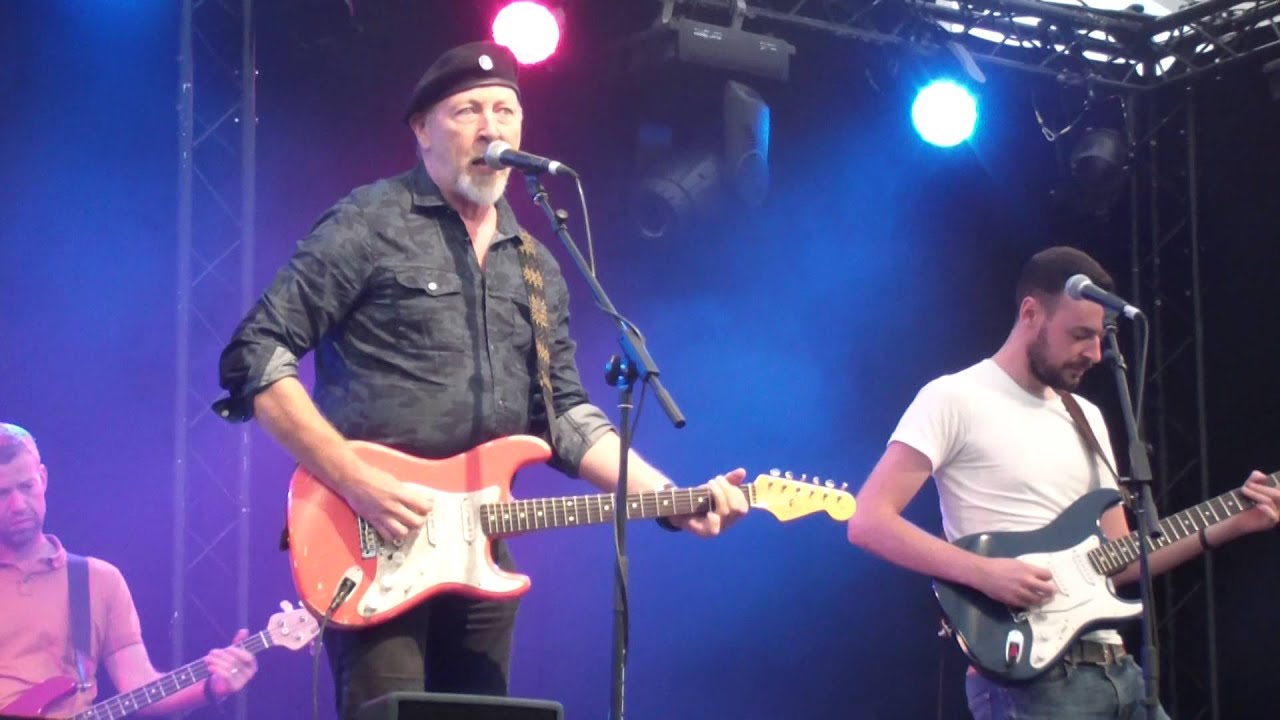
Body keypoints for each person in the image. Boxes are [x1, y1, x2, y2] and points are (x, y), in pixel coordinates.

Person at [212, 40, 749, 718]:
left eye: (505, 110)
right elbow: (256, 353)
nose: (491, 127)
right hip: (368, 536)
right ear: (422, 129)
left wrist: (670, 498)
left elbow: (563, 416)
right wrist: (352, 476)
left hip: (479, 546)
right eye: (467, 110)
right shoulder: (369, 223)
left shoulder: (536, 265)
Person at [845, 247, 1280, 719]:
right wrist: (984, 573)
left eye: (1099, 338)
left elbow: (1123, 558)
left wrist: (1233, 522)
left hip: (1120, 671)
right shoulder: (953, 398)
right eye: (1080, 335)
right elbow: (868, 521)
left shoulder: (1086, 416)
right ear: (1031, 313)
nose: (1094, 354)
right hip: (1032, 682)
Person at [0, 423, 257, 716]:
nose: (18, 504)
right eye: (2, 493)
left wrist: (211, 687)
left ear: (43, 478)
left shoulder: (97, 581)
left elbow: (140, 686)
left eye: (27, 487)